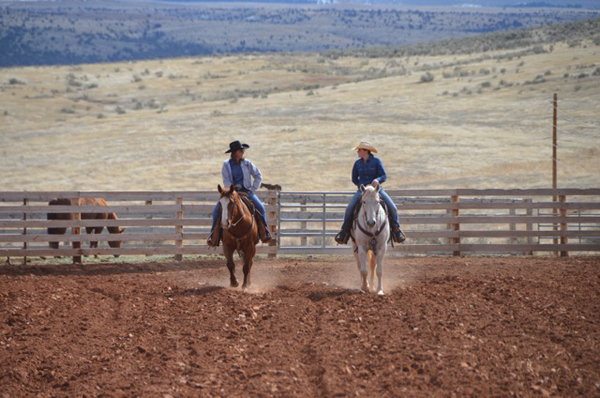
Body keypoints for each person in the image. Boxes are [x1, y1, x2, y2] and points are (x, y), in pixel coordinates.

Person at [335, 141, 406, 245]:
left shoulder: (377, 161)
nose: (357, 151)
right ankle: (344, 232)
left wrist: (377, 180)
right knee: (350, 208)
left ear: (365, 151)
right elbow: (354, 178)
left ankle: (396, 231)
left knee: (393, 208)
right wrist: (361, 186)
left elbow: (383, 176)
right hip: (363, 191)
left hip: (376, 190)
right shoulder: (357, 163)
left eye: (359, 150)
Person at [207, 140, 272, 247]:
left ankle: (264, 233)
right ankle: (213, 236)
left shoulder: (247, 164)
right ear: (235, 152)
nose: (243, 152)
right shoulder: (226, 165)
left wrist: (252, 189)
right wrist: (231, 190)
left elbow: (258, 175)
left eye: (242, 150)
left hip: (247, 192)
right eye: (240, 150)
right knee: (216, 211)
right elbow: (226, 180)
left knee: (261, 208)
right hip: (231, 193)